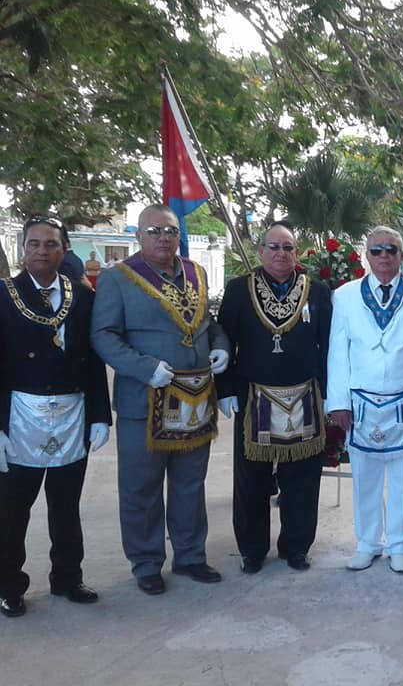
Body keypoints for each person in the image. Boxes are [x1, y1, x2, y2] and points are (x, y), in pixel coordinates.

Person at [91, 205, 229, 596]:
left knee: (190, 483)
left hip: (194, 398)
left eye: (170, 231)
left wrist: (220, 347)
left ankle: (189, 556)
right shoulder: (117, 279)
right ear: (138, 235)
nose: (164, 238)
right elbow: (103, 335)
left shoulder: (196, 273)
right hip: (145, 398)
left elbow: (209, 323)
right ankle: (146, 562)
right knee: (141, 486)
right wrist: (143, 367)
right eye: (155, 231)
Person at [0, 215, 111, 618]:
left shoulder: (81, 296)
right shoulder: (3, 293)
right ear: (22, 249)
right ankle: (9, 585)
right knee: (12, 511)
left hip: (71, 413)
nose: (42, 251)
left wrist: (100, 414)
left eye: (50, 244)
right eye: (34, 244)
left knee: (66, 506)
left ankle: (67, 578)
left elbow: (94, 358)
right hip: (19, 418)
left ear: (65, 249)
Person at [216, 221, 332, 574]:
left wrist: (330, 393)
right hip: (254, 397)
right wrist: (225, 390)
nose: (281, 254)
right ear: (260, 251)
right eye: (274, 247)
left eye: (288, 247)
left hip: (305, 397)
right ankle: (252, 550)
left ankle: (296, 547)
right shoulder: (238, 290)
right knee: (251, 481)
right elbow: (223, 339)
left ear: (297, 253)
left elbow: (327, 345)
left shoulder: (318, 291)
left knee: (303, 480)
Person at [327, 226, 403, 574]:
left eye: (390, 249)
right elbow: (338, 351)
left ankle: (400, 544)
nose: (383, 256)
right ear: (366, 255)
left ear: (402, 255)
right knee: (364, 474)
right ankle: (366, 542)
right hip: (360, 399)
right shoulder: (345, 295)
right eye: (376, 250)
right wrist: (338, 401)